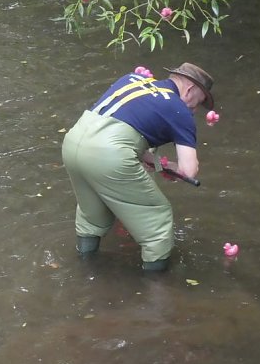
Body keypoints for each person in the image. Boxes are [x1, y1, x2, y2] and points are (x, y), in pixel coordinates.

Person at [61, 63, 215, 272]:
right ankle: (157, 289)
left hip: (73, 143)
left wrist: (156, 162)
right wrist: (172, 167)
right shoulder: (179, 109)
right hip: (110, 156)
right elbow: (189, 170)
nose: (196, 110)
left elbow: (116, 126)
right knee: (158, 219)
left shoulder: (132, 80)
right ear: (190, 89)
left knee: (93, 215)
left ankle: (83, 268)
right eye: (200, 102)